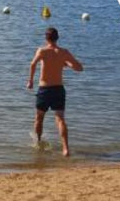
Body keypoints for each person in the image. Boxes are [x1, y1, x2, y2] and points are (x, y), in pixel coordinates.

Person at [26, 27, 83, 157]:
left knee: (39, 118)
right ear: (58, 38)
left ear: (46, 38)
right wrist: (67, 64)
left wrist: (30, 81)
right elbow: (80, 68)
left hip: (44, 90)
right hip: (58, 89)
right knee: (60, 119)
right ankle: (66, 149)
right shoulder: (64, 52)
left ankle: (38, 142)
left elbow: (32, 64)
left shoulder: (42, 51)